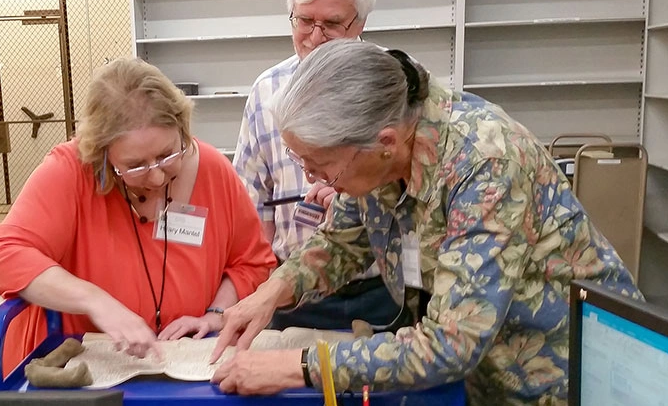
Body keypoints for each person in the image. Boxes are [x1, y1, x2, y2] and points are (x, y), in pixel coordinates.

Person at [210, 40, 642, 404]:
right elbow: (340, 242)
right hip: (480, 377)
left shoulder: (485, 162)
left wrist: (298, 366)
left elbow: (453, 342)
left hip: (560, 380)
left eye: (321, 167)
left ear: (384, 143)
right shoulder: (380, 145)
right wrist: (268, 295)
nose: (312, 180)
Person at [0, 58, 276, 391]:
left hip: (178, 371)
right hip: (69, 364)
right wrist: (96, 302)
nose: (157, 175)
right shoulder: (70, 172)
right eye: (134, 166)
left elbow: (251, 261)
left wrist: (215, 313)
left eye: (167, 155)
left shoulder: (213, 170)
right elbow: (4, 254)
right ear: (101, 155)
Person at [233, 0, 405, 331]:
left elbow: (422, 204)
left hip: (381, 290)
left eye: (331, 23)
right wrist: (260, 287)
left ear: (360, 21)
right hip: (293, 291)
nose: (314, 37)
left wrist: (361, 196)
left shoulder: (395, 87)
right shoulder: (265, 92)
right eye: (303, 20)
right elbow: (251, 205)